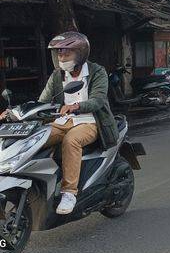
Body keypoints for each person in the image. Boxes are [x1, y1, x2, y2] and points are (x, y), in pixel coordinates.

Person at [0, 32, 119, 215]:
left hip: (90, 122)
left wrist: (76, 106)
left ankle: (69, 192)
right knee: (32, 139)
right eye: (59, 53)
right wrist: (14, 113)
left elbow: (98, 100)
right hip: (62, 121)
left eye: (66, 53)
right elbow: (42, 101)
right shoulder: (57, 75)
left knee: (71, 141)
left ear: (80, 53)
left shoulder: (97, 72)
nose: (61, 57)